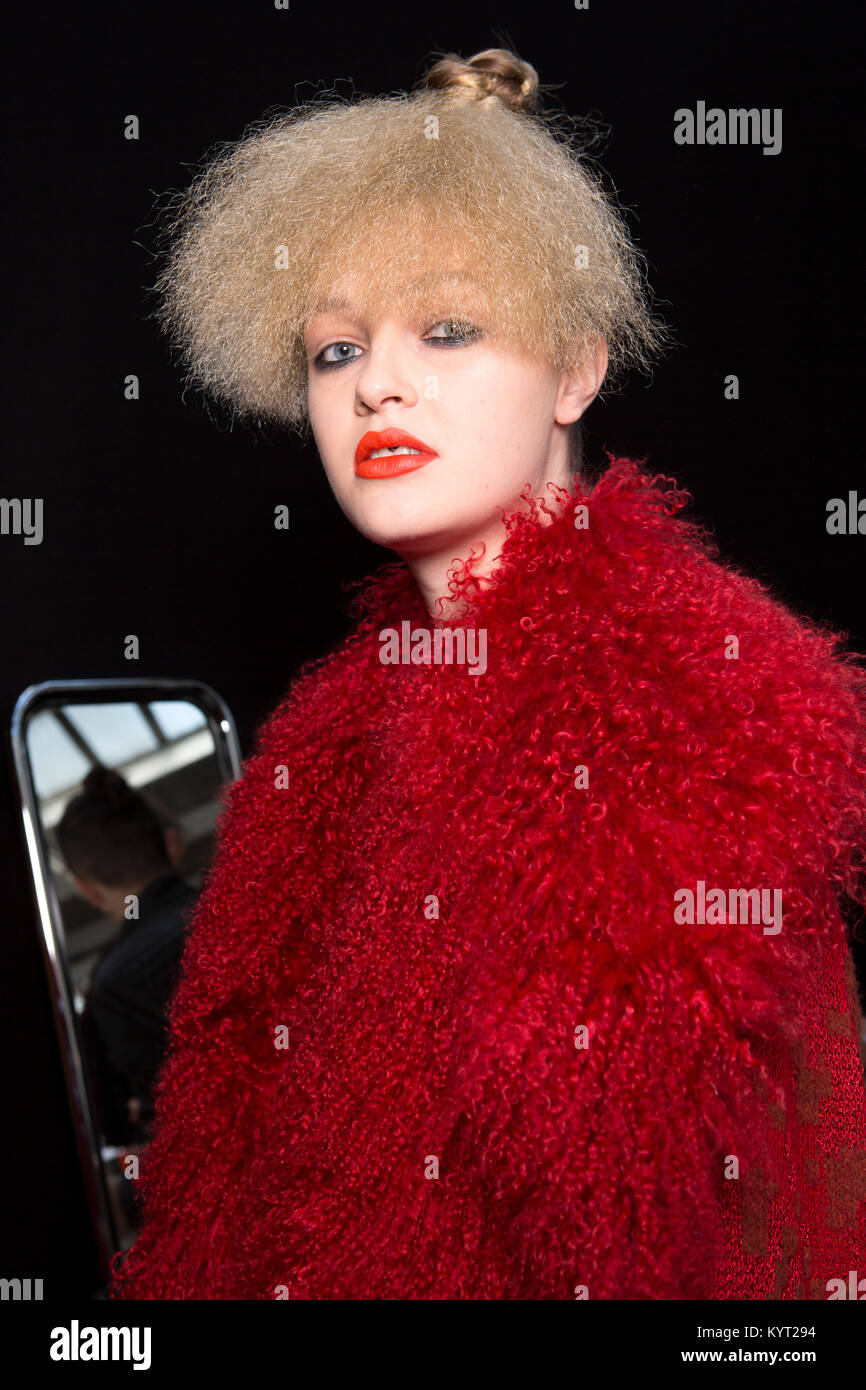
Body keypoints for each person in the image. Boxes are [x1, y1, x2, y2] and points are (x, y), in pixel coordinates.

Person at [110, 47, 866, 1300]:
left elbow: (750, 1235)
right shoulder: (322, 748)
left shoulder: (703, 714)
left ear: (575, 369)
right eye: (334, 351)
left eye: (447, 327)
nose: (379, 385)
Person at [57, 765, 199, 1147]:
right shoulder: (249, 904)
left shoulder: (114, 983)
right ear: (171, 844)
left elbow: (151, 1123)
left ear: (87, 889)